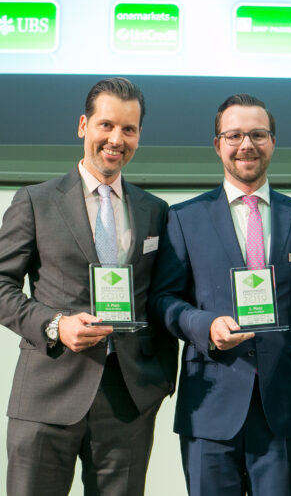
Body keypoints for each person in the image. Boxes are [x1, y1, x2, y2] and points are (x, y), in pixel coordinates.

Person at [149, 93, 291, 496]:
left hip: (285, 408)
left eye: (257, 134)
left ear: (272, 141)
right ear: (217, 144)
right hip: (210, 407)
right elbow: (164, 301)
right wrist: (206, 326)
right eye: (234, 135)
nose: (246, 145)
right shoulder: (184, 218)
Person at [0, 77, 178, 496]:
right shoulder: (36, 201)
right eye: (106, 125)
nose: (116, 139)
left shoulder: (155, 211)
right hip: (48, 393)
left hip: (127, 400)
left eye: (128, 129)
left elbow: (162, 296)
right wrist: (55, 324)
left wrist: (158, 381)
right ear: (84, 126)